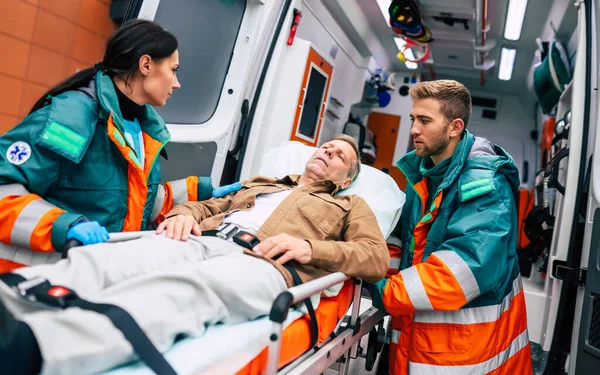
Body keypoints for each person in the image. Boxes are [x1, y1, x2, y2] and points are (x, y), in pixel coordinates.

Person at [0, 135, 390, 375]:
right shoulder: (264, 183)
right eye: (325, 146)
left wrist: (310, 247)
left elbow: (375, 259)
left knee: (184, 289)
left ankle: (36, 347)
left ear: (346, 178)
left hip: (264, 264)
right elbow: (207, 207)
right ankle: (10, 305)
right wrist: (183, 215)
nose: (327, 152)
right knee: (105, 259)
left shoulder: (351, 205)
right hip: (202, 239)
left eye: (338, 155)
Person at [0, 20, 241, 272]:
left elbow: (129, 198)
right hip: (33, 281)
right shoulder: (72, 118)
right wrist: (62, 226)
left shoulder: (140, 128)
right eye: (174, 69)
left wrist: (198, 195)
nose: (177, 83)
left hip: (93, 277)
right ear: (146, 65)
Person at [369, 80, 532, 374]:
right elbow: (401, 239)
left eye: (424, 121)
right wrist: (372, 268)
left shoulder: (485, 185)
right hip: (417, 339)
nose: (414, 129)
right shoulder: (423, 175)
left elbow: (463, 271)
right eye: (412, 119)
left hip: (465, 352)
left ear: (455, 127)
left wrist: (384, 290)